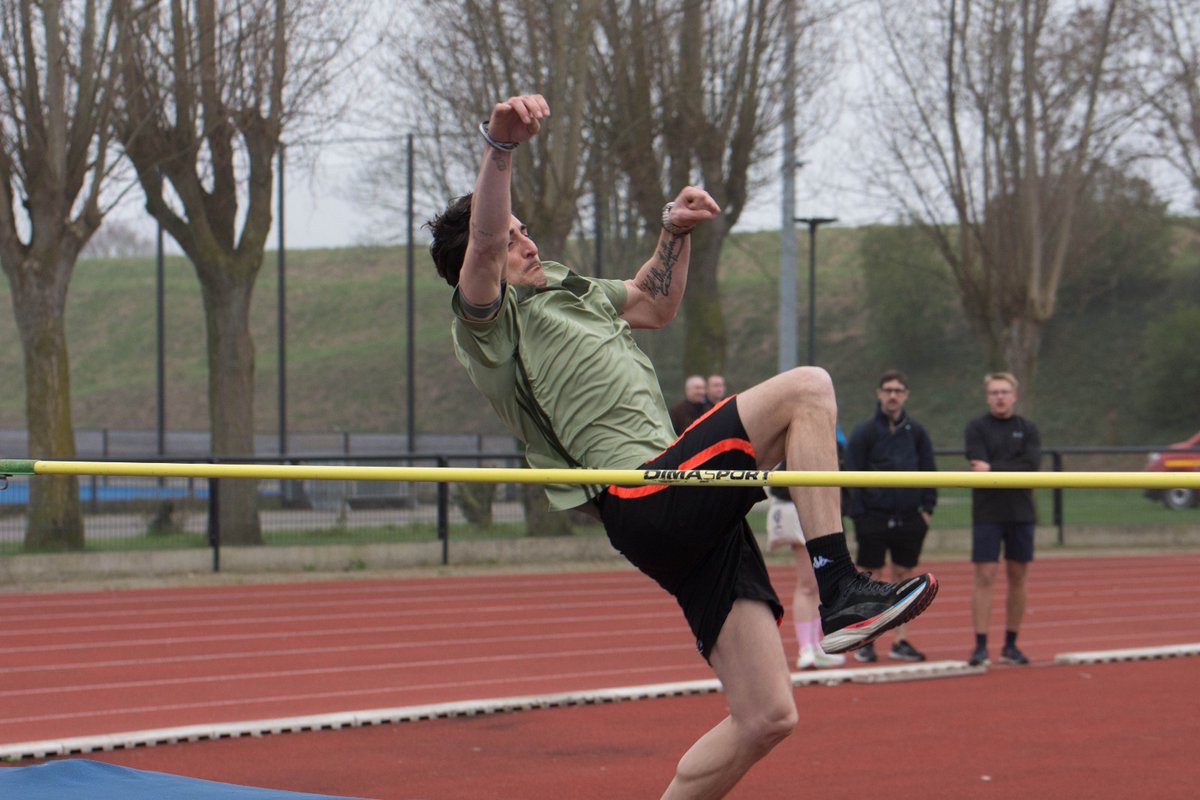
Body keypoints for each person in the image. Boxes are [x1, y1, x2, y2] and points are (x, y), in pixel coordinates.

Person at [427, 93, 938, 798]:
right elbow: (481, 247)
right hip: (642, 490)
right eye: (512, 234)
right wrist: (500, 148)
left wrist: (674, 231)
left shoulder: (570, 290)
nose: (526, 240)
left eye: (524, 229)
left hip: (681, 495)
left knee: (765, 716)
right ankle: (839, 587)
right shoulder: (487, 325)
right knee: (807, 390)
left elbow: (653, 303)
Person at [845, 370, 938, 664]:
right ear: (879, 393)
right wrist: (858, 514)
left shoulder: (917, 432)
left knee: (904, 578)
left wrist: (927, 510)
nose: (893, 395)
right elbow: (851, 473)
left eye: (898, 390)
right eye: (888, 390)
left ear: (906, 395)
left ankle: (900, 641)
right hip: (873, 516)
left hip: (909, 517)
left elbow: (929, 469)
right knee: (871, 579)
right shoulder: (864, 432)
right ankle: (867, 642)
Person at [964, 372, 1041, 668]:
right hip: (987, 511)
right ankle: (980, 645)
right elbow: (977, 466)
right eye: (994, 392)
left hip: (1020, 512)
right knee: (984, 575)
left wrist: (993, 468)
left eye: (1005, 392)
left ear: (1014, 396)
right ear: (987, 396)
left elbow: (1031, 465)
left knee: (1018, 575)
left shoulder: (1028, 429)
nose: (1000, 397)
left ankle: (1011, 644)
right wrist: (1009, 470)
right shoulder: (976, 428)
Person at [766, 468, 846, 670]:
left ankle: (815, 646)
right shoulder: (796, 442)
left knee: (820, 584)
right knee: (808, 584)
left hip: (817, 509)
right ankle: (805, 648)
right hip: (802, 509)